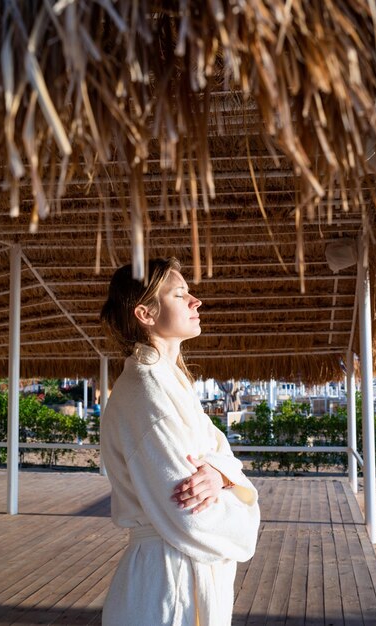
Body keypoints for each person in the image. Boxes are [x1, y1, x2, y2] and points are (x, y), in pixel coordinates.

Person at [100, 257, 260, 626]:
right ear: (146, 313)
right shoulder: (147, 392)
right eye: (180, 294)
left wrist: (221, 476)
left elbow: (223, 455)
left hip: (178, 575)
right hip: (165, 591)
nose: (196, 301)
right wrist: (247, 518)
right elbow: (190, 517)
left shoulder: (171, 384)